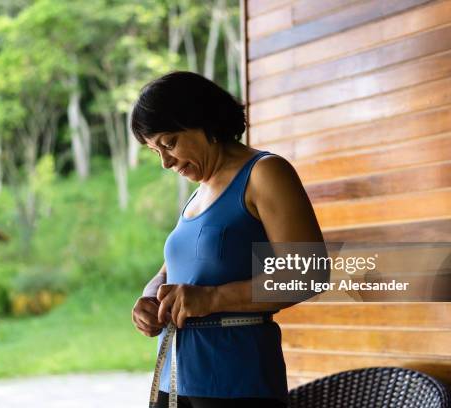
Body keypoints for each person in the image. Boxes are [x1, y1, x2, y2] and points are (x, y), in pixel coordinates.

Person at [130, 71, 325, 408]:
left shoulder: (265, 173)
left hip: (236, 380)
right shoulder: (199, 193)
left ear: (203, 121)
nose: (164, 162)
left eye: (169, 143)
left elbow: (307, 273)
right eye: (154, 150)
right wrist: (149, 299)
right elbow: (170, 272)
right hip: (175, 375)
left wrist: (213, 298)